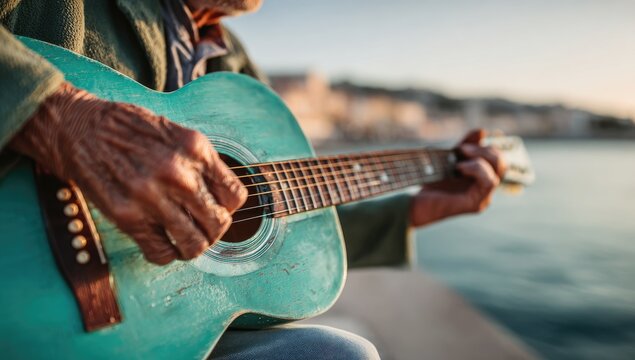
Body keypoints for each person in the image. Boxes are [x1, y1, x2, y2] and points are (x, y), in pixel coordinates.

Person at [0, 1, 505, 359]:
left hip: (160, 330)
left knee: (335, 356)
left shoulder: (238, 68)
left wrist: (416, 210)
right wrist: (58, 116)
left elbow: (278, 236)